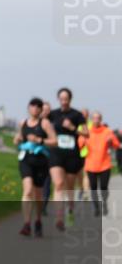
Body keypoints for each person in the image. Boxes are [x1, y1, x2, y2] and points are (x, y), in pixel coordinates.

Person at [47, 88, 89, 230]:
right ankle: (59, 218)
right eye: (61, 98)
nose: (64, 101)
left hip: (72, 155)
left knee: (70, 188)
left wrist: (72, 128)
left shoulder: (77, 115)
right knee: (59, 184)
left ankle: (70, 212)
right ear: (58, 99)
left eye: (66, 99)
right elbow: (43, 127)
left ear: (70, 99)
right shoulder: (52, 114)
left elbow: (86, 133)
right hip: (56, 153)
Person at [14, 98, 56, 237]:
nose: (35, 109)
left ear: (41, 110)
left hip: (40, 161)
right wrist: (17, 139)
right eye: (33, 106)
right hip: (26, 159)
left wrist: (40, 140)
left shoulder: (45, 123)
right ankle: (26, 224)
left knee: (38, 194)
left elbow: (54, 141)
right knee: (27, 191)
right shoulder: (23, 123)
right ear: (28, 108)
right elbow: (19, 136)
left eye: (38, 107)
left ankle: (38, 221)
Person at [79, 112, 120, 217]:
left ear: (101, 119)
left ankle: (104, 203)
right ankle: (96, 207)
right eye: (94, 118)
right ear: (92, 120)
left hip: (104, 165)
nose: (96, 120)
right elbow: (79, 145)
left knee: (103, 187)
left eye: (98, 118)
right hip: (91, 164)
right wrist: (82, 140)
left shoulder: (107, 131)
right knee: (93, 187)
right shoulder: (87, 131)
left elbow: (116, 145)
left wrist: (111, 141)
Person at [41, 101, 53, 216]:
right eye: (44, 109)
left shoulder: (53, 123)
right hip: (35, 157)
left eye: (48, 110)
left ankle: (43, 206)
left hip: (50, 157)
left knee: (46, 183)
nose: (45, 111)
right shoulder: (34, 122)